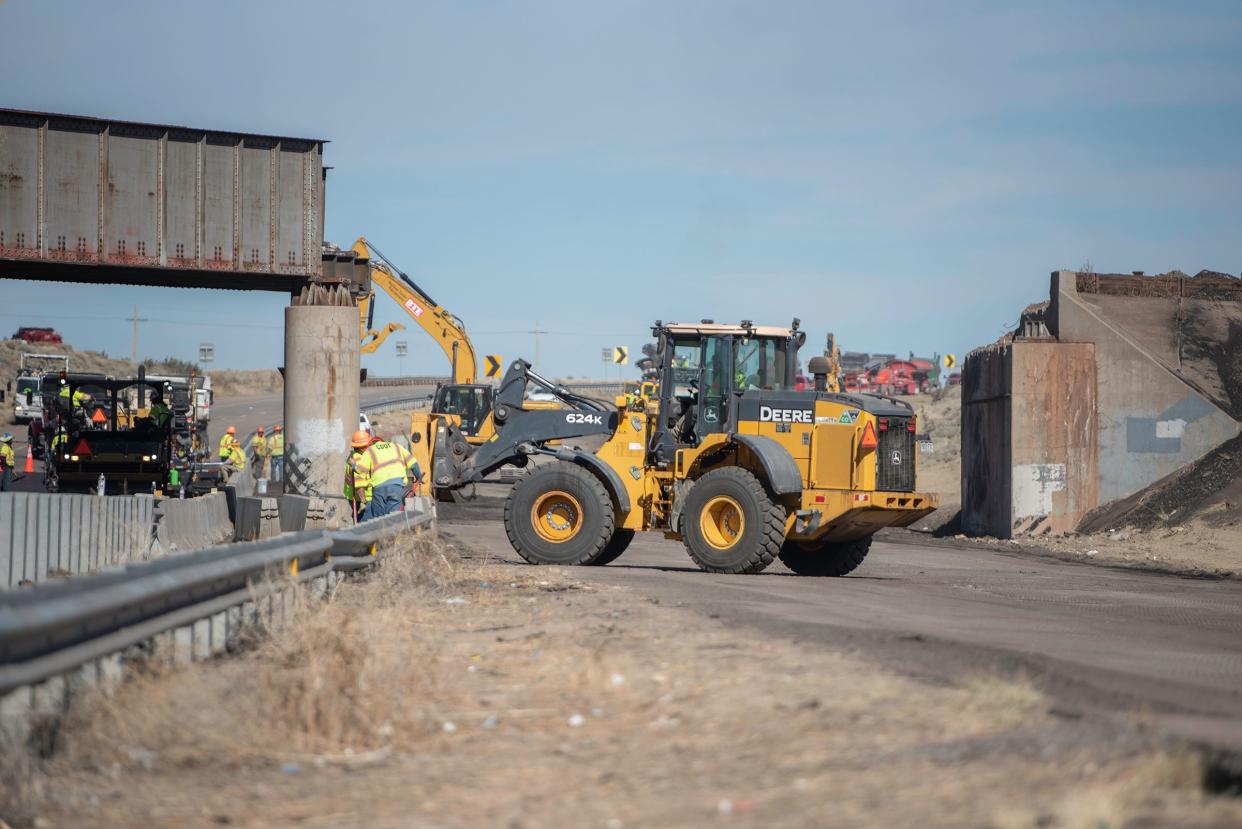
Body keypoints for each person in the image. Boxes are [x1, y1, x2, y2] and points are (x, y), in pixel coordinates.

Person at [344, 431, 410, 521]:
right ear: (363, 446)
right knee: (370, 523)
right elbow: (359, 484)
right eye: (369, 444)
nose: (371, 445)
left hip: (366, 497)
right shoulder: (359, 459)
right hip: (365, 498)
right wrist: (364, 501)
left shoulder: (358, 456)